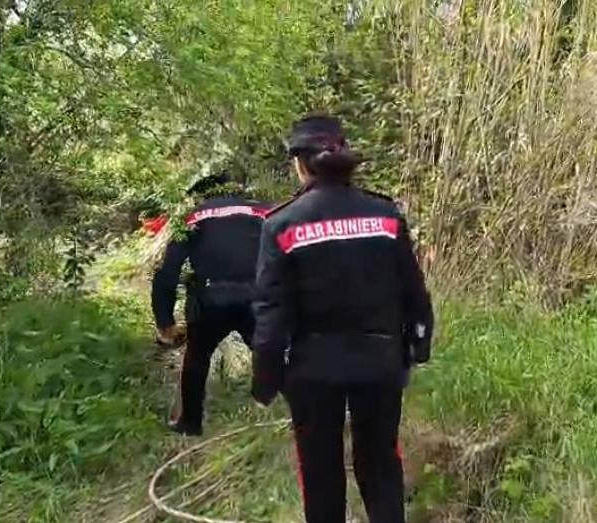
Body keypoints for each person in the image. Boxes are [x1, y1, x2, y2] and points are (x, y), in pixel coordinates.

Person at [251, 114, 434, 523]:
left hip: (312, 372)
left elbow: (270, 314)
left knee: (320, 472)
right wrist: (418, 345)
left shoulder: (281, 224)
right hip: (380, 363)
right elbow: (414, 290)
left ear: (300, 164)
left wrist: (265, 378)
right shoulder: (386, 216)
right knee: (381, 464)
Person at [151, 170, 270, 436]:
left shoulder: (192, 217)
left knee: (196, 358)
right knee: (270, 352)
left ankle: (190, 423)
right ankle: (297, 411)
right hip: (259, 297)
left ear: (202, 193)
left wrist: (165, 323)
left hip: (210, 299)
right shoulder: (266, 211)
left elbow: (167, 272)